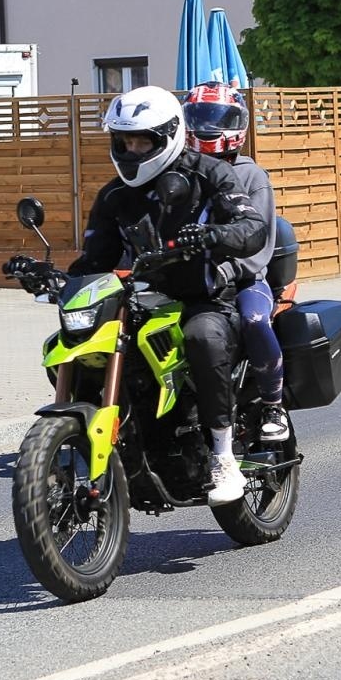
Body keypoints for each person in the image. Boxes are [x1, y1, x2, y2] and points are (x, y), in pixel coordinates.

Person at [69, 85, 268, 504]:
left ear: (168, 135)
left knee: (203, 338)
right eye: (124, 141)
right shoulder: (114, 195)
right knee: (76, 345)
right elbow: (96, 257)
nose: (132, 149)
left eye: (142, 140)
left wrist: (214, 235)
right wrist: (51, 276)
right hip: (142, 298)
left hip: (203, 295)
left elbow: (252, 227)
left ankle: (223, 455)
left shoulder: (210, 173)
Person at [182, 81, 289, 444]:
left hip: (244, 278)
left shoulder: (251, 176)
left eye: (218, 117)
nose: (207, 124)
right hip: (191, 276)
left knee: (255, 320)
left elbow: (259, 248)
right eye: (198, 115)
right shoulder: (182, 172)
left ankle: (273, 404)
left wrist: (225, 269)